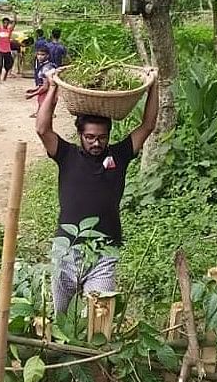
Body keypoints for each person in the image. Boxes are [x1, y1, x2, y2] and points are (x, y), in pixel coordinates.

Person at [36, 68, 158, 314]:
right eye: (90, 137)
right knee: (60, 316)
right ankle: (59, 353)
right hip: (67, 249)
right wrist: (52, 89)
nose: (96, 142)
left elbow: (147, 126)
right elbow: (42, 129)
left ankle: (93, 350)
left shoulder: (120, 155)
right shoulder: (66, 154)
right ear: (80, 135)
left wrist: (153, 86)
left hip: (105, 251)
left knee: (99, 315)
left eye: (102, 137)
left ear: (109, 136)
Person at [25, 46, 56, 117]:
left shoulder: (46, 68)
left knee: (44, 114)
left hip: (47, 93)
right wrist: (35, 89)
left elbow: (45, 87)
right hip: (47, 93)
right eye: (38, 54)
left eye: (42, 54)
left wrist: (32, 95)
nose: (39, 57)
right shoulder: (47, 65)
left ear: (47, 55)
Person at [0, 14, 17, 83]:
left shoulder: (9, 30)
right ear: (2, 23)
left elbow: (15, 22)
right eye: (4, 23)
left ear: (8, 24)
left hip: (7, 50)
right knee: (0, 64)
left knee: (8, 64)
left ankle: (6, 73)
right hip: (0, 50)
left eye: (7, 23)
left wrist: (14, 13)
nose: (5, 24)